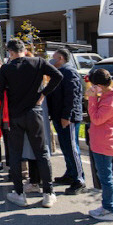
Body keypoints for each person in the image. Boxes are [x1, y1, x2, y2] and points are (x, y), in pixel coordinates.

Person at [0, 39, 62, 208]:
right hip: (35, 113)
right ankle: (48, 193)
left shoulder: (6, 68)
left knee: (16, 155)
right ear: (24, 50)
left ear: (10, 52)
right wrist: (43, 94)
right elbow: (58, 76)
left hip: (15, 116)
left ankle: (19, 193)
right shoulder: (38, 62)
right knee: (41, 153)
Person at [85, 68, 113, 221]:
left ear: (100, 85)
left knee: (105, 178)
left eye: (94, 86)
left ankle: (109, 210)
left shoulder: (111, 101)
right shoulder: (108, 96)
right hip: (105, 142)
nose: (92, 88)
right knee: (106, 177)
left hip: (104, 143)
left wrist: (91, 99)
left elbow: (96, 119)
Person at [47, 48, 86, 195]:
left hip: (67, 118)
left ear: (61, 58)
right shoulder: (59, 73)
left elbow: (73, 97)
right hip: (59, 116)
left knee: (72, 148)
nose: (52, 60)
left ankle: (79, 180)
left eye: (54, 57)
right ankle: (70, 174)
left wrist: (66, 116)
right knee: (65, 147)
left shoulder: (69, 72)